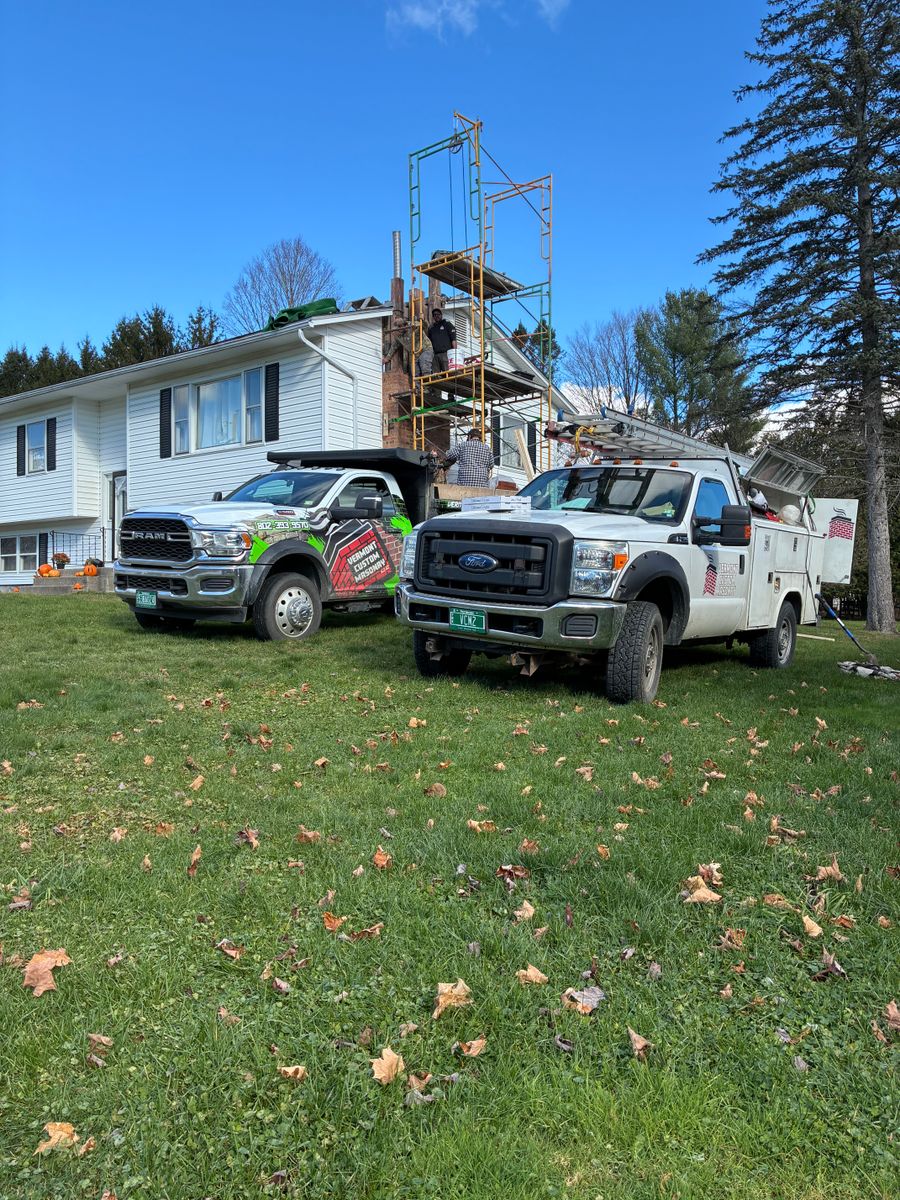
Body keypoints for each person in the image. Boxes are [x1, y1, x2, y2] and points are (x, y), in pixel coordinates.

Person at [426, 308, 456, 373]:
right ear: (433, 317)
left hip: (446, 354)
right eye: (434, 315)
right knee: (436, 375)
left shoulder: (447, 324)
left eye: (438, 314)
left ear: (441, 315)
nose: (436, 316)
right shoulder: (431, 329)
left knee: (448, 373)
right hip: (435, 355)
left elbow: (453, 339)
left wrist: (454, 353)